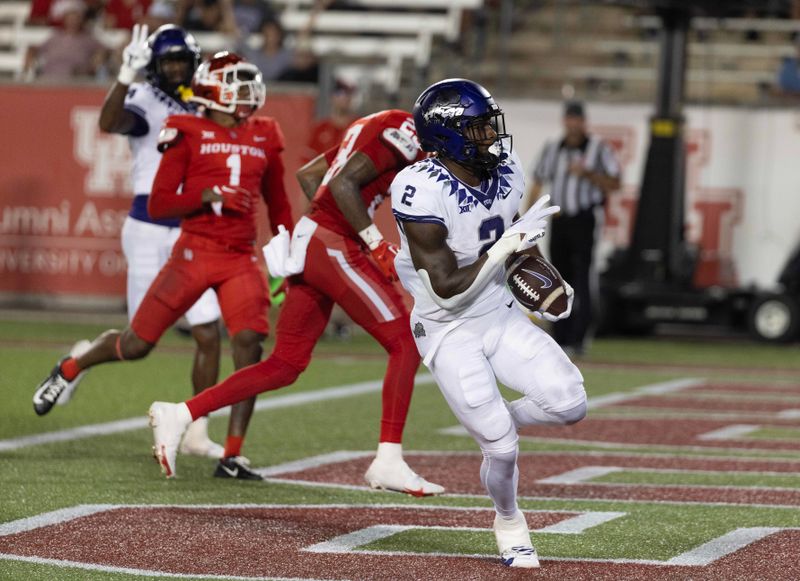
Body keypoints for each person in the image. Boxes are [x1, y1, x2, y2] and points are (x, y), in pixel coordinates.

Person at [148, 108, 444, 496]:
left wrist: (311, 238)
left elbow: (311, 176)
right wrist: (371, 242)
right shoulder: (404, 130)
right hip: (332, 242)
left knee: (285, 364)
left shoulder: (378, 123)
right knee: (405, 339)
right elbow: (341, 186)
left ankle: (180, 413)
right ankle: (388, 458)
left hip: (316, 240)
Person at [33, 51, 294, 480]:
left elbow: (279, 200)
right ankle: (69, 367)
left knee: (248, 343)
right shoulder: (185, 129)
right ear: (213, 89)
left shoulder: (265, 133)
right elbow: (160, 203)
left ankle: (232, 454)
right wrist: (208, 195)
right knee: (137, 344)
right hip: (194, 250)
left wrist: (286, 250)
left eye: (250, 83)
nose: (249, 93)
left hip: (240, 256)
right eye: (237, 83)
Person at [390, 79, 586, 568]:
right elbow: (445, 286)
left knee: (570, 403)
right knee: (501, 451)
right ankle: (510, 521)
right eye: (478, 128)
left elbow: (516, 241)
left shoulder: (507, 171)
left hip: (497, 311)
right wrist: (504, 249)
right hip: (446, 328)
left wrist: (545, 286)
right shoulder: (419, 188)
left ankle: (499, 421)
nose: (490, 138)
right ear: (448, 135)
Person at [92, 24, 225, 460]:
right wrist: (124, 77)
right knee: (137, 343)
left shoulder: (206, 101)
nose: (174, 69)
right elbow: (110, 122)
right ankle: (75, 363)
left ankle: (198, 429)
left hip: (192, 226)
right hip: (149, 224)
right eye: (167, 62)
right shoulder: (146, 98)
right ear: (154, 66)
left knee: (209, 332)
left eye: (180, 61)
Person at [521, 100, 620, 357]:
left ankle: (580, 336)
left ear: (583, 122)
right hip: (560, 220)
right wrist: (528, 218)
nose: (572, 124)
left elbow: (614, 183)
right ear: (564, 121)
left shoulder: (598, 148)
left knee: (583, 277)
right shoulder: (553, 148)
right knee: (557, 277)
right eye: (569, 118)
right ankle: (559, 335)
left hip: (584, 219)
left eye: (577, 119)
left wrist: (587, 174)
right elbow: (538, 181)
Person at [23, 0, 107, 81]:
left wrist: (96, 61)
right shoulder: (55, 36)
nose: (73, 21)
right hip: (49, 77)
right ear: (64, 19)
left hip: (76, 79)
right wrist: (31, 52)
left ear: (81, 19)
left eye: (76, 17)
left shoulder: (88, 38)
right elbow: (36, 48)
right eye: (70, 17)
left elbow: (105, 51)